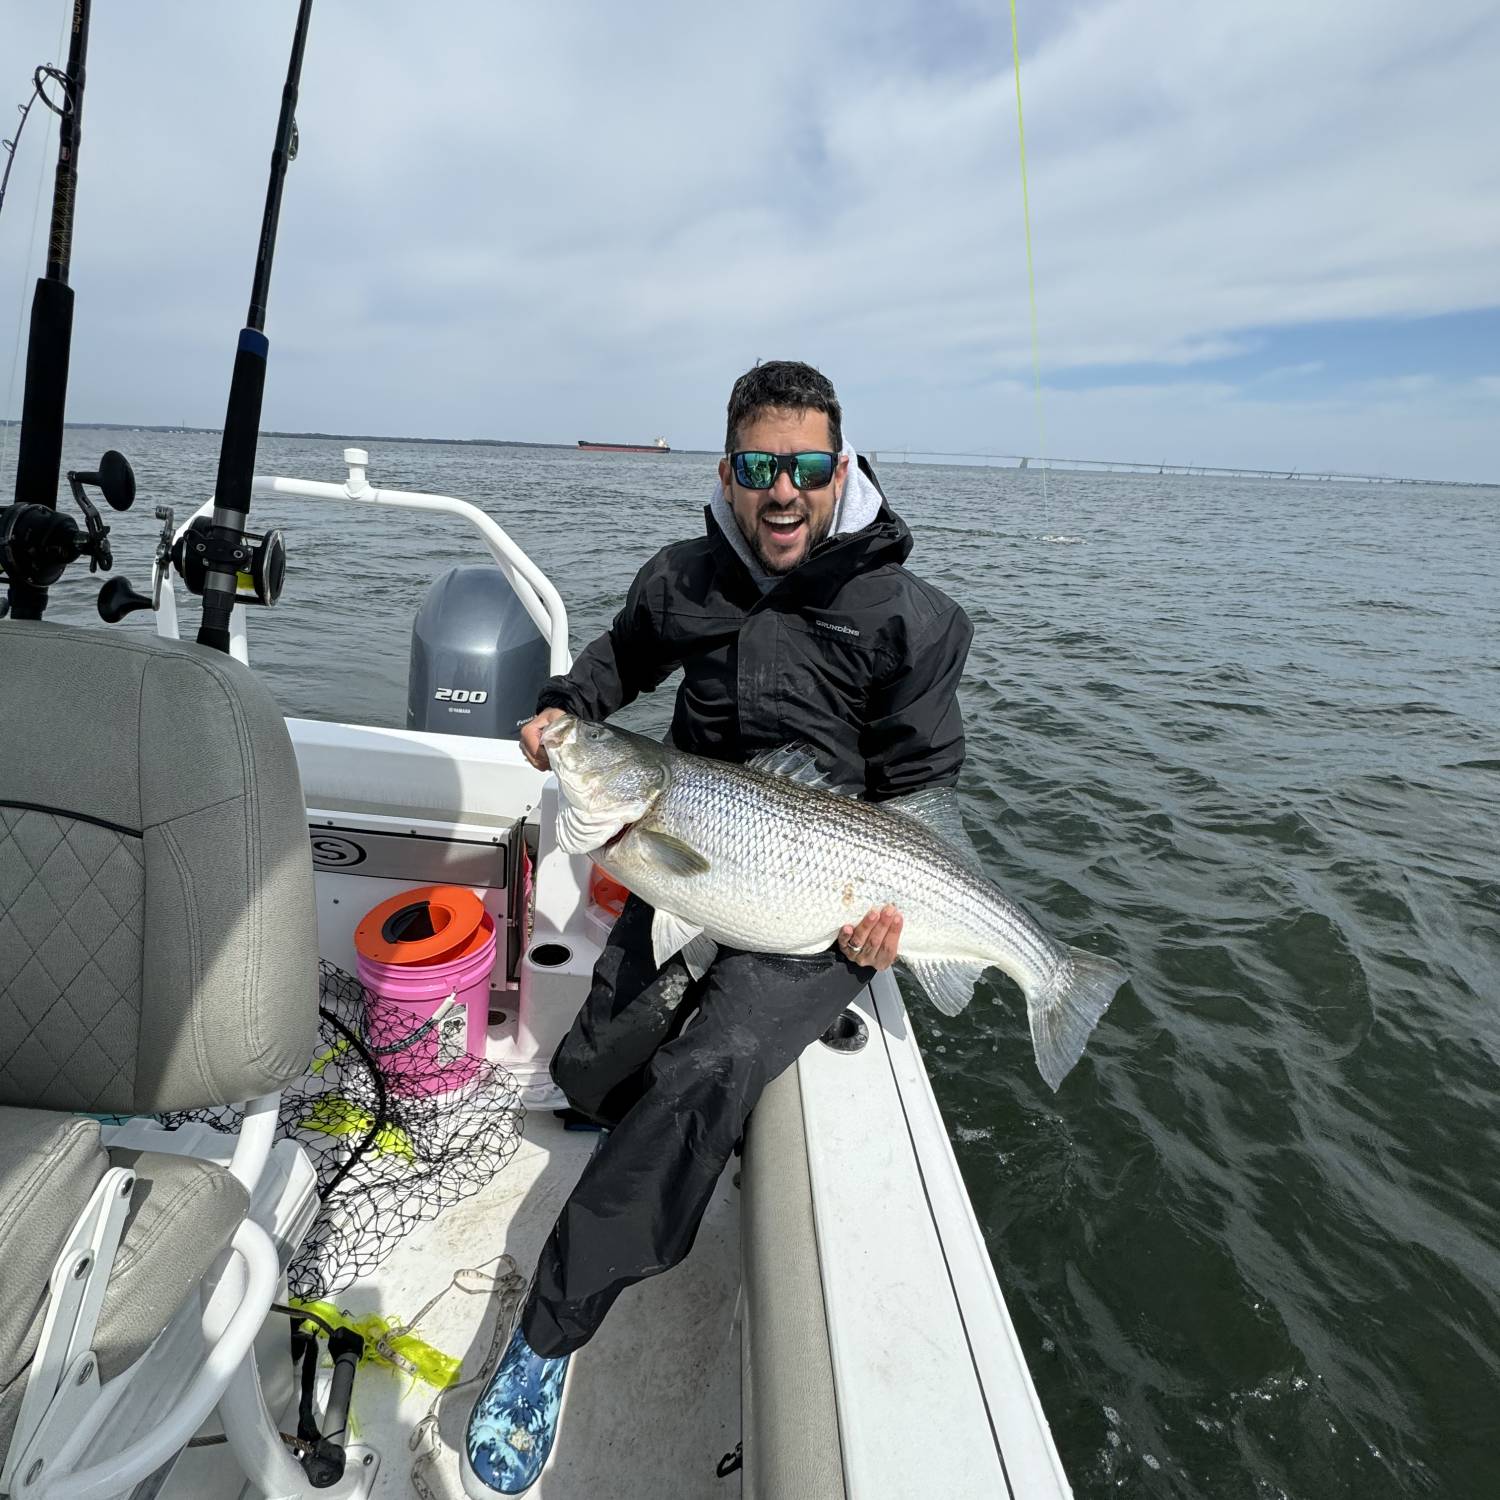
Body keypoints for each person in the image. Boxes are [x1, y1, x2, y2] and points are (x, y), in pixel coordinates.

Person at [462, 360, 973, 1497]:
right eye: (758, 468)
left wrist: (891, 920)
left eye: (803, 467)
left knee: (707, 1070)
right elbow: (613, 668)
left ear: (839, 469)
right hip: (688, 854)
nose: (780, 492)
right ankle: (626, 1102)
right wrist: (563, 711)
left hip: (823, 901)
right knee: (592, 1073)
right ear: (729, 472)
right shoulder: (686, 575)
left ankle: (545, 1340)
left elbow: (926, 785)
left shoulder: (909, 616)